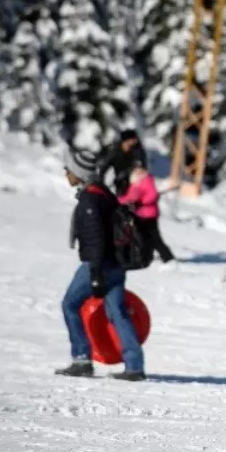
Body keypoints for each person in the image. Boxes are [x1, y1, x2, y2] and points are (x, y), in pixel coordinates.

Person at [55, 147, 145, 381]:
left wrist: (95, 273)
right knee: (118, 312)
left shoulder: (90, 198)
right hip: (116, 264)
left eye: (68, 170)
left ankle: (82, 360)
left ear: (79, 173)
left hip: (99, 264)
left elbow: (96, 238)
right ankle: (134, 366)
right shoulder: (104, 193)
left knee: (70, 304)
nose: (66, 175)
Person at [118, 160, 176, 266]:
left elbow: (152, 195)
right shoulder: (135, 182)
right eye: (136, 169)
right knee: (142, 238)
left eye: (141, 169)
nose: (138, 171)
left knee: (154, 238)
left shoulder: (147, 180)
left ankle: (168, 258)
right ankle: (145, 257)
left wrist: (141, 202)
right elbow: (130, 197)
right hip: (139, 215)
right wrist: (119, 200)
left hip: (149, 215)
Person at [99, 129, 147, 197]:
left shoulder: (137, 151)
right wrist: (100, 182)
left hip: (136, 184)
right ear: (126, 140)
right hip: (120, 185)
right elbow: (104, 167)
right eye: (133, 139)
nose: (136, 141)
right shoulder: (115, 152)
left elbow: (143, 168)